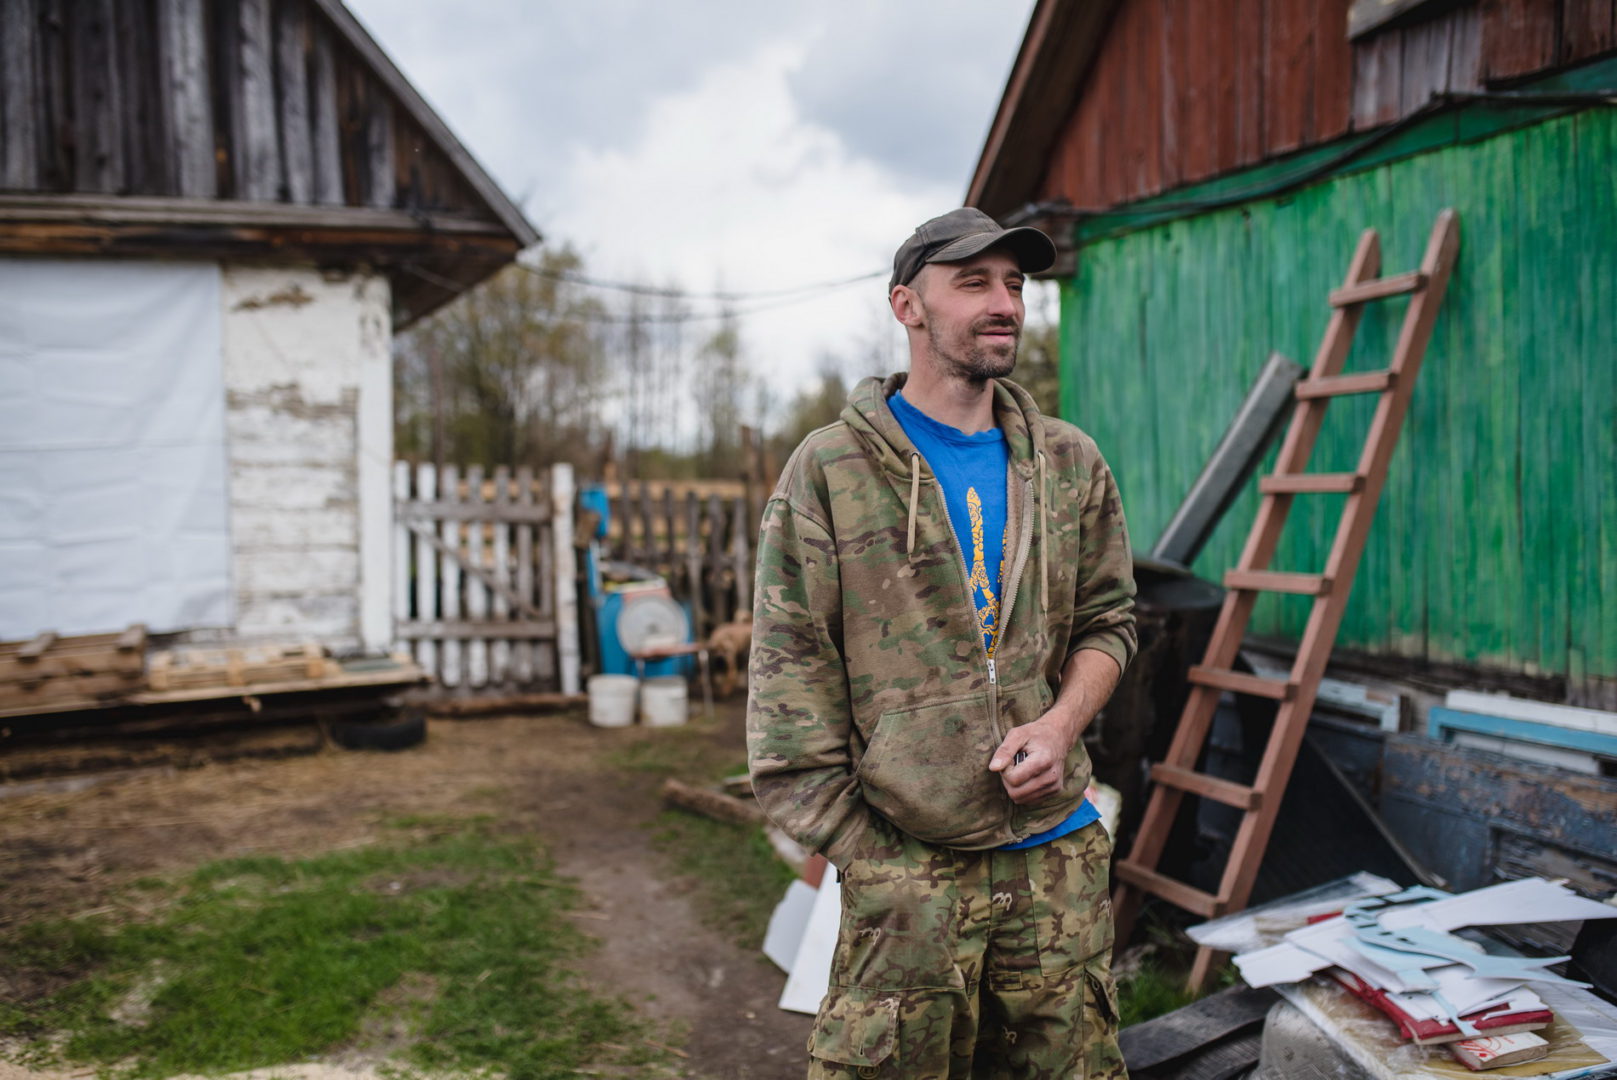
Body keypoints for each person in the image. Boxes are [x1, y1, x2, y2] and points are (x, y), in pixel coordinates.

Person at [747, 207, 1137, 1078]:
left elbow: (1108, 621)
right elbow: (788, 688)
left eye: (1013, 284)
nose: (1002, 303)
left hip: (1054, 868)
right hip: (909, 873)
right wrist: (871, 856)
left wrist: (1062, 726)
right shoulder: (830, 473)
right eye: (972, 283)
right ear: (906, 307)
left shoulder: (1069, 464)